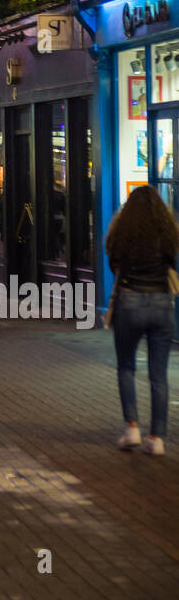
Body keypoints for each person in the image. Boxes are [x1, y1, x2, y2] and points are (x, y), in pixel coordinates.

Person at [106, 185, 179, 455]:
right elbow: (172, 262)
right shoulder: (167, 231)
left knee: (126, 367)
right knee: (158, 375)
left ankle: (132, 428)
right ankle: (157, 439)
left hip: (130, 300)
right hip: (161, 303)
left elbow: (113, 262)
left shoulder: (123, 231)